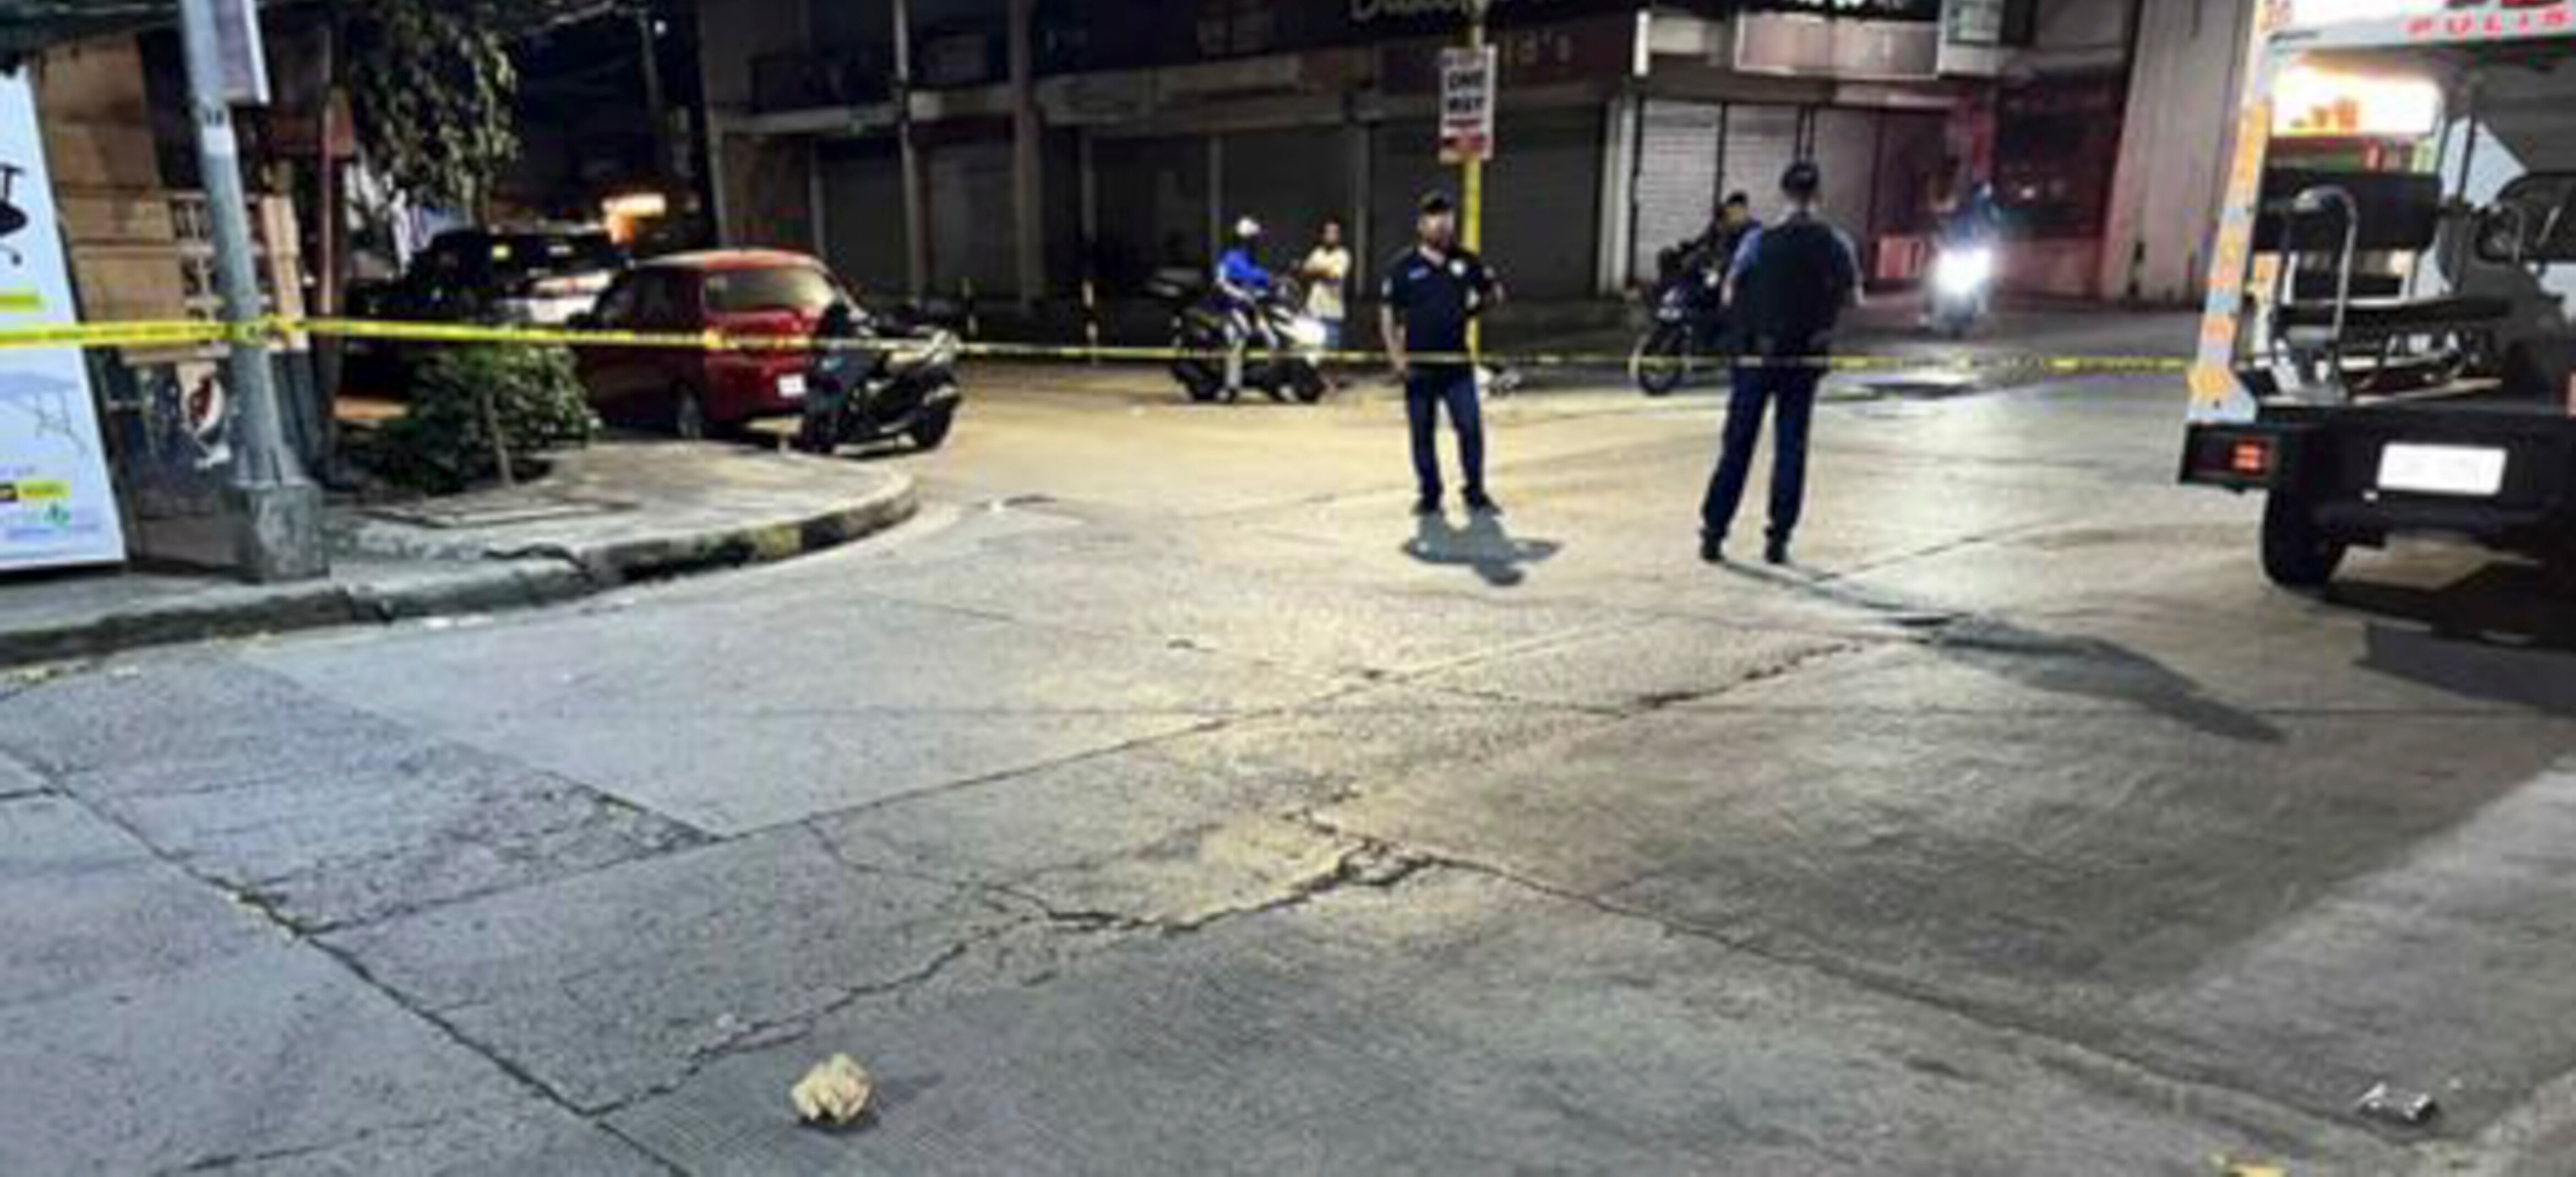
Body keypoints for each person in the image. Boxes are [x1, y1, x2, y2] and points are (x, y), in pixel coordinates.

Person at [1700, 161, 1860, 566]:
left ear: (1782, 194)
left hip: (1756, 356)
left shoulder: (1758, 241)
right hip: (1803, 359)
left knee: (1737, 446)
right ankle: (1778, 537)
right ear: (1818, 196)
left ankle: (1714, 532)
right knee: (1790, 447)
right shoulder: (1836, 242)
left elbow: (1729, 291)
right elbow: (1854, 297)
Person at [1382, 191, 1505, 517]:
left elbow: (1494, 294)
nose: (1444, 229)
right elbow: (1388, 314)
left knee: (1470, 428)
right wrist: (1397, 358)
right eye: (1437, 222)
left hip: (1457, 366)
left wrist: (1473, 311)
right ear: (1422, 225)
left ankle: (1475, 491)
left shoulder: (1466, 261)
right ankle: (1430, 494)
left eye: (1449, 222)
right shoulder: (1403, 267)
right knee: (1422, 433)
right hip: (1419, 368)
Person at [1215, 217, 1275, 399]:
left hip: (1252, 309)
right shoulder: (1230, 259)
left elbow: (1258, 281)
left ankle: (1272, 382)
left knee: (1272, 338)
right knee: (1239, 338)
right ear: (1244, 240)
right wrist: (1240, 295)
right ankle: (1232, 387)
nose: (1256, 243)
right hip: (1232, 310)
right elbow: (1222, 283)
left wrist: (1272, 284)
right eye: (1253, 239)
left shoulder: (1250, 260)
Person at [1300, 217, 1353, 355]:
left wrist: (1317, 271)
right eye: (1328, 232)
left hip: (1332, 314)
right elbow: (1305, 273)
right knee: (1312, 355)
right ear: (1323, 235)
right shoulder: (1317, 253)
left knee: (1330, 358)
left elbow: (1334, 277)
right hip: (1313, 312)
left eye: (1335, 233)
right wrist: (1322, 271)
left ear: (1340, 236)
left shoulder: (1343, 255)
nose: (1331, 236)